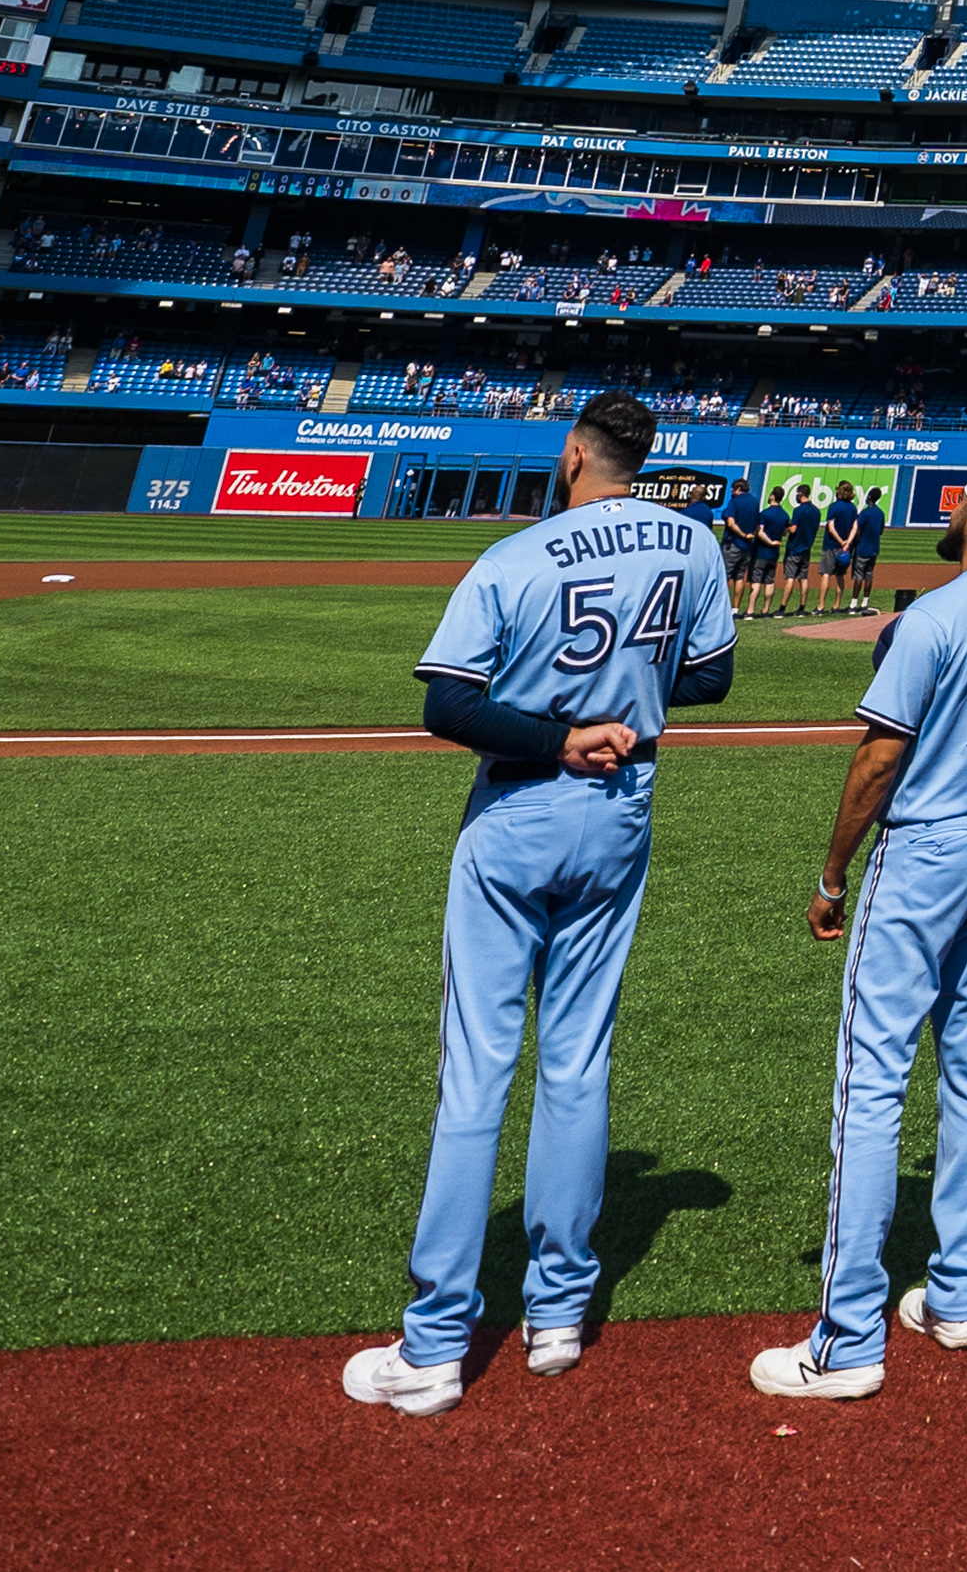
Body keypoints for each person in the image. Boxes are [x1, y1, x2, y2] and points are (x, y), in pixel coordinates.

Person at [343, 387, 737, 1414]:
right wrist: (624, 696)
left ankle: (435, 1343)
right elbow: (711, 678)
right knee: (578, 1055)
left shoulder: (518, 554)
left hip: (522, 809)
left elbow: (446, 702)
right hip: (622, 808)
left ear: (574, 453)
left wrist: (559, 727)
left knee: (478, 1067)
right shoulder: (691, 542)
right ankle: (558, 1312)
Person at [756, 453, 967, 1404]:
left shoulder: (933, 614)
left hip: (929, 842)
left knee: (873, 1074)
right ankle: (960, 1292)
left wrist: (831, 871)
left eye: (958, 498)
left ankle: (848, 1336)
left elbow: (877, 757)